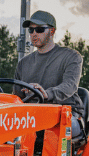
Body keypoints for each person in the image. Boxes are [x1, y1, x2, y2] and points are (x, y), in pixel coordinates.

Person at [15, 10, 84, 138]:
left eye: (40, 30)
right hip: (31, 116)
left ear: (52, 31)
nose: (34, 34)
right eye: (31, 30)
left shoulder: (71, 56)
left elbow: (70, 86)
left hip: (65, 114)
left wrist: (47, 94)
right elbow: (17, 98)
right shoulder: (23, 63)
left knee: (51, 130)